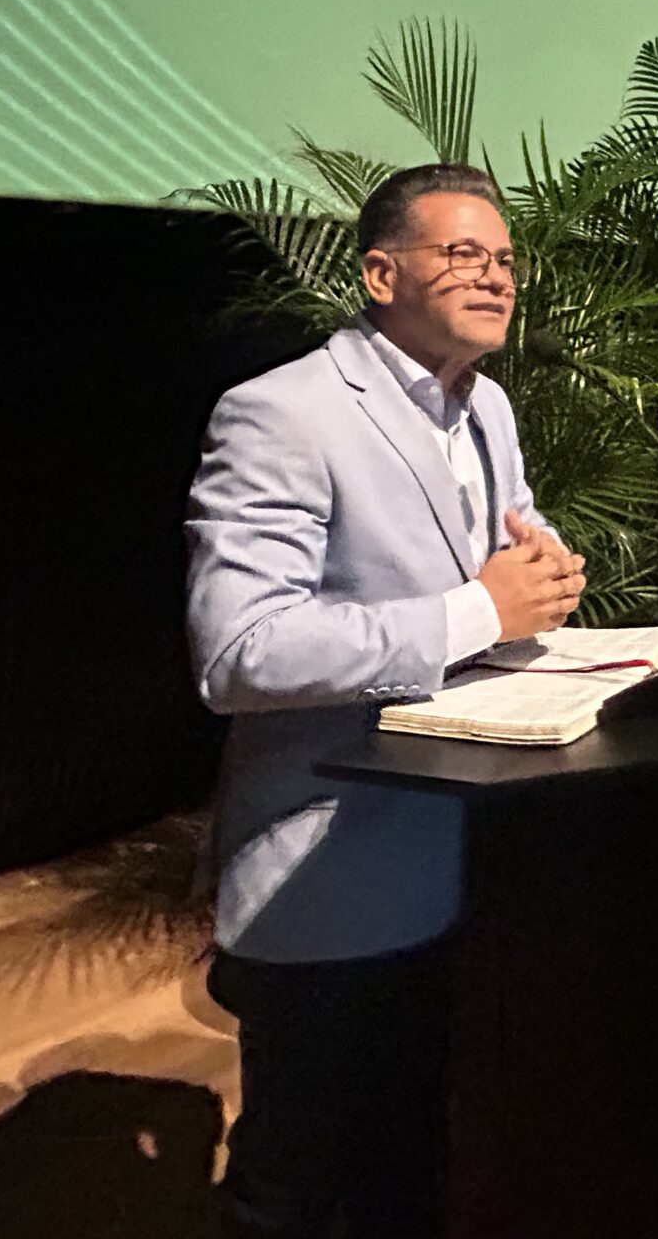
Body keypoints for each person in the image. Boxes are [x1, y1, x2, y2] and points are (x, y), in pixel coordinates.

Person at [186, 163, 586, 1238]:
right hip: (333, 873)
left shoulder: (487, 407)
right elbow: (239, 651)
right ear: (379, 273)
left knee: (419, 1165)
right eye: (463, 254)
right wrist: (478, 611)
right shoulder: (283, 414)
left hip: (475, 853)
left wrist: (544, 578)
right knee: (299, 1184)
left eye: (505, 260)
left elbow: (504, 558)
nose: (494, 277)